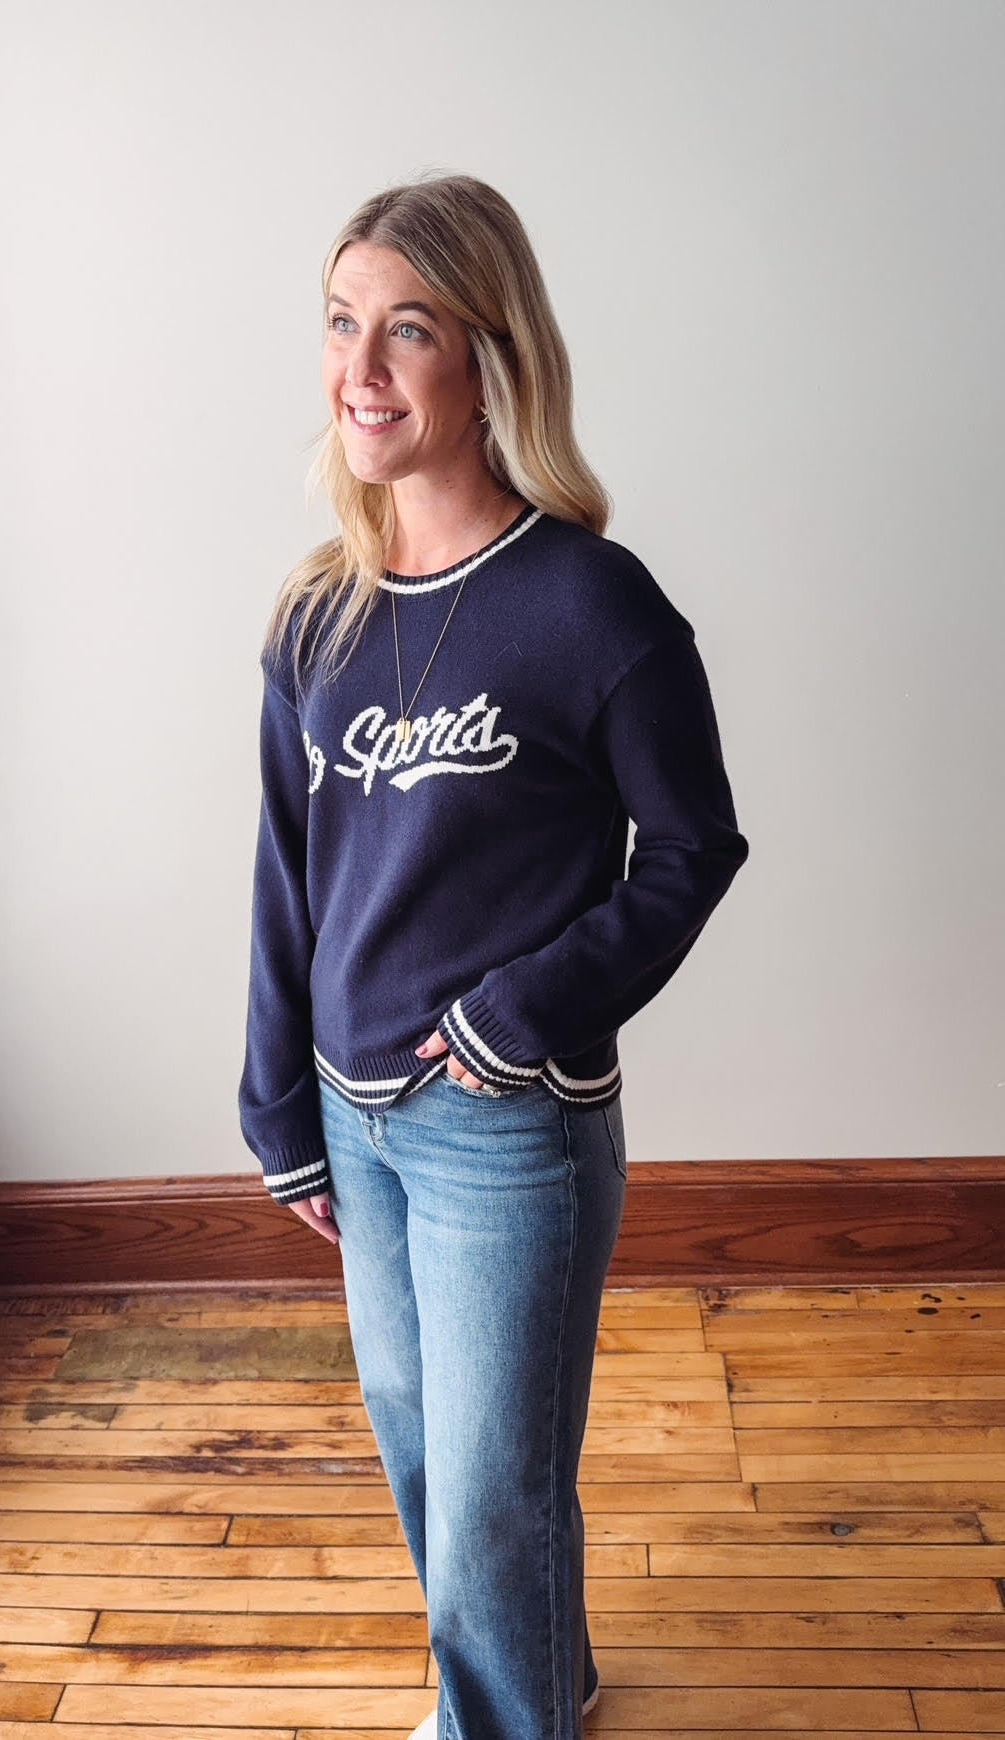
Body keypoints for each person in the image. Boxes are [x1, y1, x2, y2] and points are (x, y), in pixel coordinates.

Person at [238, 172, 749, 1740]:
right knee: (426, 1450)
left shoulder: (594, 609)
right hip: (353, 1108)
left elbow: (691, 850)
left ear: (487, 358)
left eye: (409, 329)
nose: (361, 369)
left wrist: (523, 1012)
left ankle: (496, 1723)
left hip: (501, 1124)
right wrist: (277, 1105)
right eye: (341, 324)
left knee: (490, 1487)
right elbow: (285, 873)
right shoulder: (317, 616)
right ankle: (547, 1683)